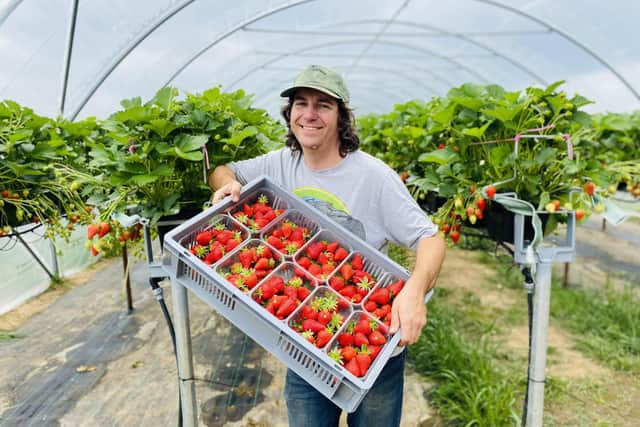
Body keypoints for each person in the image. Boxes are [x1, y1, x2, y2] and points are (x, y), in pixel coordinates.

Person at [209, 64, 445, 427]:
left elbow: (430, 238)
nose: (309, 114)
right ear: (290, 115)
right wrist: (225, 185)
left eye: (323, 105)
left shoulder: (373, 176)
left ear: (341, 116)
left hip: (368, 336)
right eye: (300, 104)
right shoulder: (279, 164)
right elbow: (223, 170)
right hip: (305, 341)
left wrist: (413, 291)